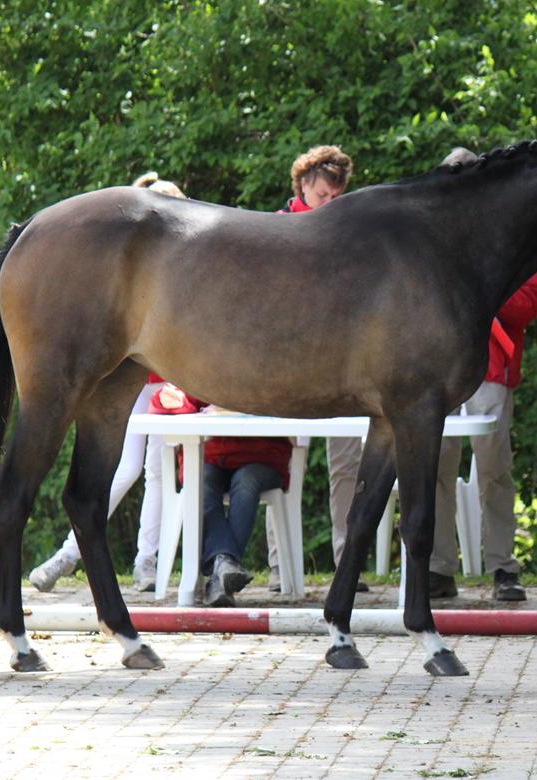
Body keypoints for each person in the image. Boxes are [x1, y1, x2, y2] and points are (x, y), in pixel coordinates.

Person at [28, 172, 186, 593]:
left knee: (158, 475)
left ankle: (146, 561)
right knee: (126, 470)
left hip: (169, 389)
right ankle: (69, 553)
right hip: (134, 384)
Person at [267, 145, 365, 592]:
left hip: (340, 367)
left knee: (346, 466)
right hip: (285, 364)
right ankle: (279, 567)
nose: (330, 203)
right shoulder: (274, 228)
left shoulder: (350, 232)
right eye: (324, 195)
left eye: (337, 197)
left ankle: (347, 563)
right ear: (303, 185)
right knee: (282, 464)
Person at [429, 261, 537, 601]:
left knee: (494, 469)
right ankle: (437, 568)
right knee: (434, 467)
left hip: (491, 368)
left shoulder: (509, 238)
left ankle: (503, 567)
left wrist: (481, 286)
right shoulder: (436, 235)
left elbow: (529, 305)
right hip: (436, 369)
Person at [146, 383, 292, 607]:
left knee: (246, 481)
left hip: (262, 458)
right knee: (200, 481)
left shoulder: (270, 373)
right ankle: (224, 568)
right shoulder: (207, 371)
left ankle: (220, 569)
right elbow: (167, 401)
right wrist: (180, 399)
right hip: (211, 457)